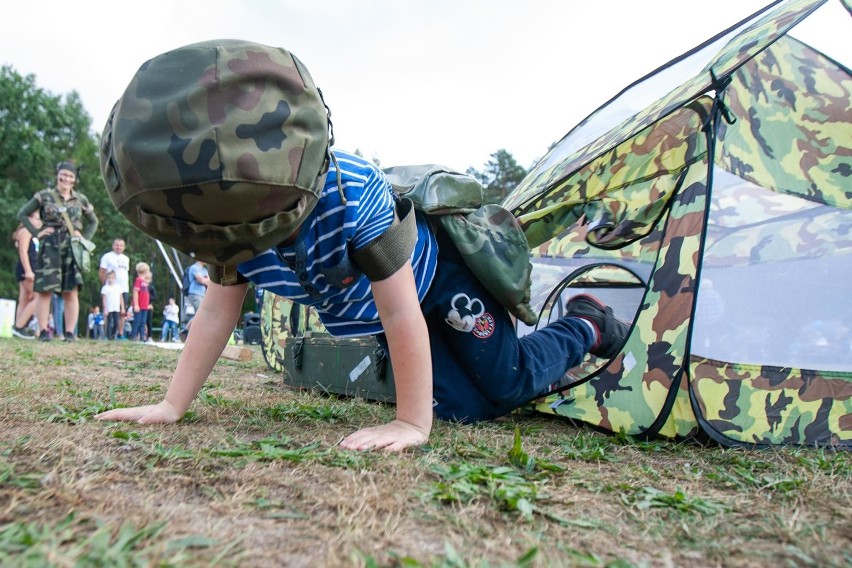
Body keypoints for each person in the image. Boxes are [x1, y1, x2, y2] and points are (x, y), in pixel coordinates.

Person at [95, 40, 627, 452]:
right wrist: (172, 403)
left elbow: (397, 310)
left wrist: (410, 422)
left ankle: (587, 322)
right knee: (468, 409)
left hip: (440, 280)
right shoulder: (227, 224)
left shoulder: (350, 193)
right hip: (394, 308)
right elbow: (216, 314)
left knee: (506, 383)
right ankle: (540, 349)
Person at [16, 161, 98, 342]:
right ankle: (44, 331)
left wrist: (84, 238)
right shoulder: (44, 196)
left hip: (71, 247)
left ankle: (69, 333)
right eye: (64, 175)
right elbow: (22, 213)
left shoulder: (80, 199)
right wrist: (37, 232)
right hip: (50, 246)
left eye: (71, 176)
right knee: (45, 290)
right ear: (58, 176)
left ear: (75, 180)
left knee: (71, 291)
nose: (67, 179)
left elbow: (93, 221)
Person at [11, 210, 43, 338]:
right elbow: (23, 252)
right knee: (38, 297)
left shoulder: (35, 234)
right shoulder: (25, 231)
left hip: (30, 268)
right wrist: (29, 271)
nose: (39, 222)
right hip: (27, 268)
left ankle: (18, 327)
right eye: (36, 219)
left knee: (24, 299)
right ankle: (19, 326)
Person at [98, 239, 131, 339]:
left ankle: (120, 334)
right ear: (113, 246)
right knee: (108, 312)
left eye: (121, 245)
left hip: (123, 288)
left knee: (122, 312)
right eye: (117, 245)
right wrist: (105, 285)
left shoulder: (126, 258)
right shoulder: (107, 257)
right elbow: (102, 271)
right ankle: (106, 334)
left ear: (124, 247)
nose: (119, 247)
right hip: (110, 289)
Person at [129, 262, 152, 341]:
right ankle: (134, 336)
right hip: (139, 306)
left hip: (144, 306)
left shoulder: (145, 282)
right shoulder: (138, 280)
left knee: (143, 322)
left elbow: (146, 295)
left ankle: (142, 336)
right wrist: (136, 304)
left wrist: (147, 305)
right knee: (137, 322)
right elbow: (135, 292)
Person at [101, 270, 125, 340]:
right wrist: (105, 308)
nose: (110, 280)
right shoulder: (105, 288)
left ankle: (113, 334)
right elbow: (104, 299)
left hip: (116, 308)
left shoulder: (118, 288)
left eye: (112, 278)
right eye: (109, 278)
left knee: (116, 322)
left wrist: (122, 307)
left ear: (114, 278)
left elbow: (121, 298)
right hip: (109, 308)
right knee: (108, 322)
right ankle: (108, 336)